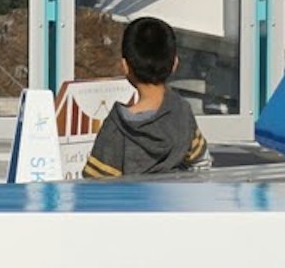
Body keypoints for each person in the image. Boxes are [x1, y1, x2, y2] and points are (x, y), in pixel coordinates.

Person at [80, 14, 208, 179]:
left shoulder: (116, 127)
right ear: (175, 63)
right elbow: (201, 163)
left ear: (125, 66)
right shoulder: (182, 112)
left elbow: (95, 187)